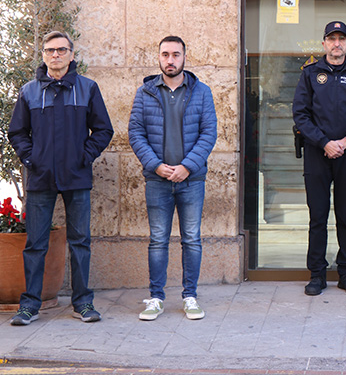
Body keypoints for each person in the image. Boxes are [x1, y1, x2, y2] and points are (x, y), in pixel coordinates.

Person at [7, 30, 114, 326]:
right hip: (40, 179)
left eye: (61, 50)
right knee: (36, 244)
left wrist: (85, 156)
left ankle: (83, 302)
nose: (56, 55)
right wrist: (31, 159)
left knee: (80, 241)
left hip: (77, 177)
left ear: (72, 54)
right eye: (50, 50)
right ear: (43, 54)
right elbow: (17, 131)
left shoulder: (88, 88)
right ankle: (29, 305)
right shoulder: (29, 91)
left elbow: (103, 129)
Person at [129, 36, 218, 321]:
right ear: (159, 57)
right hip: (157, 180)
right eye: (165, 54)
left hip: (191, 180)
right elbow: (135, 133)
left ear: (184, 57)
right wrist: (155, 165)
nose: (170, 60)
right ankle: (156, 298)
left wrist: (188, 166)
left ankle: (190, 296)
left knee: (191, 239)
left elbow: (209, 133)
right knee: (158, 240)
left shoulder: (201, 92)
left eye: (175, 54)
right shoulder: (145, 92)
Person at [292, 21, 346, 296]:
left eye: (342, 39)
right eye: (332, 39)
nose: (337, 44)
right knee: (317, 216)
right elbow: (300, 114)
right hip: (317, 155)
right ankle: (317, 275)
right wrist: (324, 142)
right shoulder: (310, 74)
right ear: (324, 44)